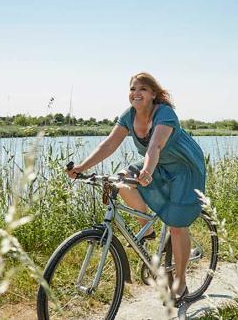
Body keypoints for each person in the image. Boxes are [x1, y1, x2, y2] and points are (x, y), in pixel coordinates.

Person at [67, 72, 206, 304]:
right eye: (132, 89)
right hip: (158, 165)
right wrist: (81, 167)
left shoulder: (165, 114)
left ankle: (180, 282)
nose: (136, 93)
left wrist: (148, 170)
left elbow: (155, 145)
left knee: (176, 226)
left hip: (184, 167)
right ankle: (147, 229)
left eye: (142, 89)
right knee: (120, 179)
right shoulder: (128, 116)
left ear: (153, 94)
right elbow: (109, 144)